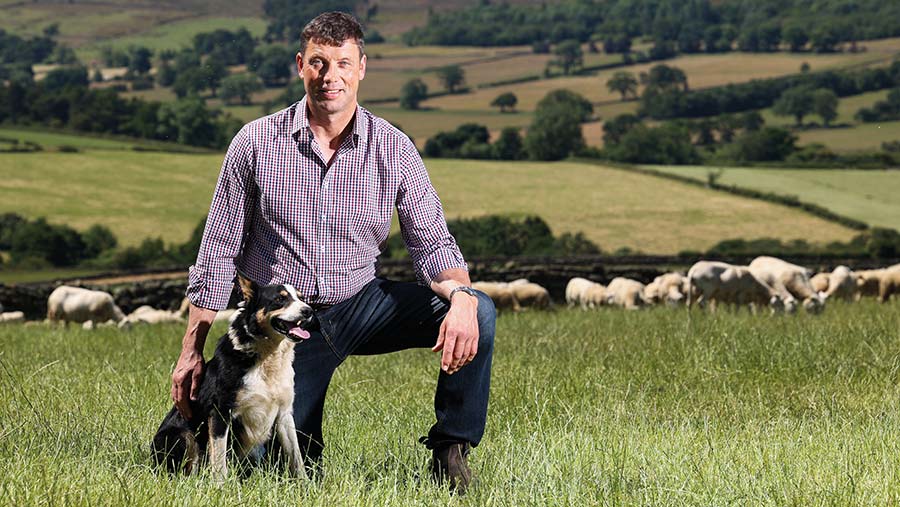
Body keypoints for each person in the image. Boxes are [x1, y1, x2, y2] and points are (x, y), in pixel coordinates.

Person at [170, 11, 495, 494]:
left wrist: (464, 298)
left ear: (362, 67)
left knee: (481, 311)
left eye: (343, 63)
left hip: (362, 305)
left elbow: (433, 243)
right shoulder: (254, 143)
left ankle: (451, 450)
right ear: (301, 65)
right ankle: (295, 440)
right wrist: (191, 351)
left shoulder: (394, 149)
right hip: (281, 322)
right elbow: (217, 252)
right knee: (264, 468)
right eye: (319, 63)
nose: (331, 77)